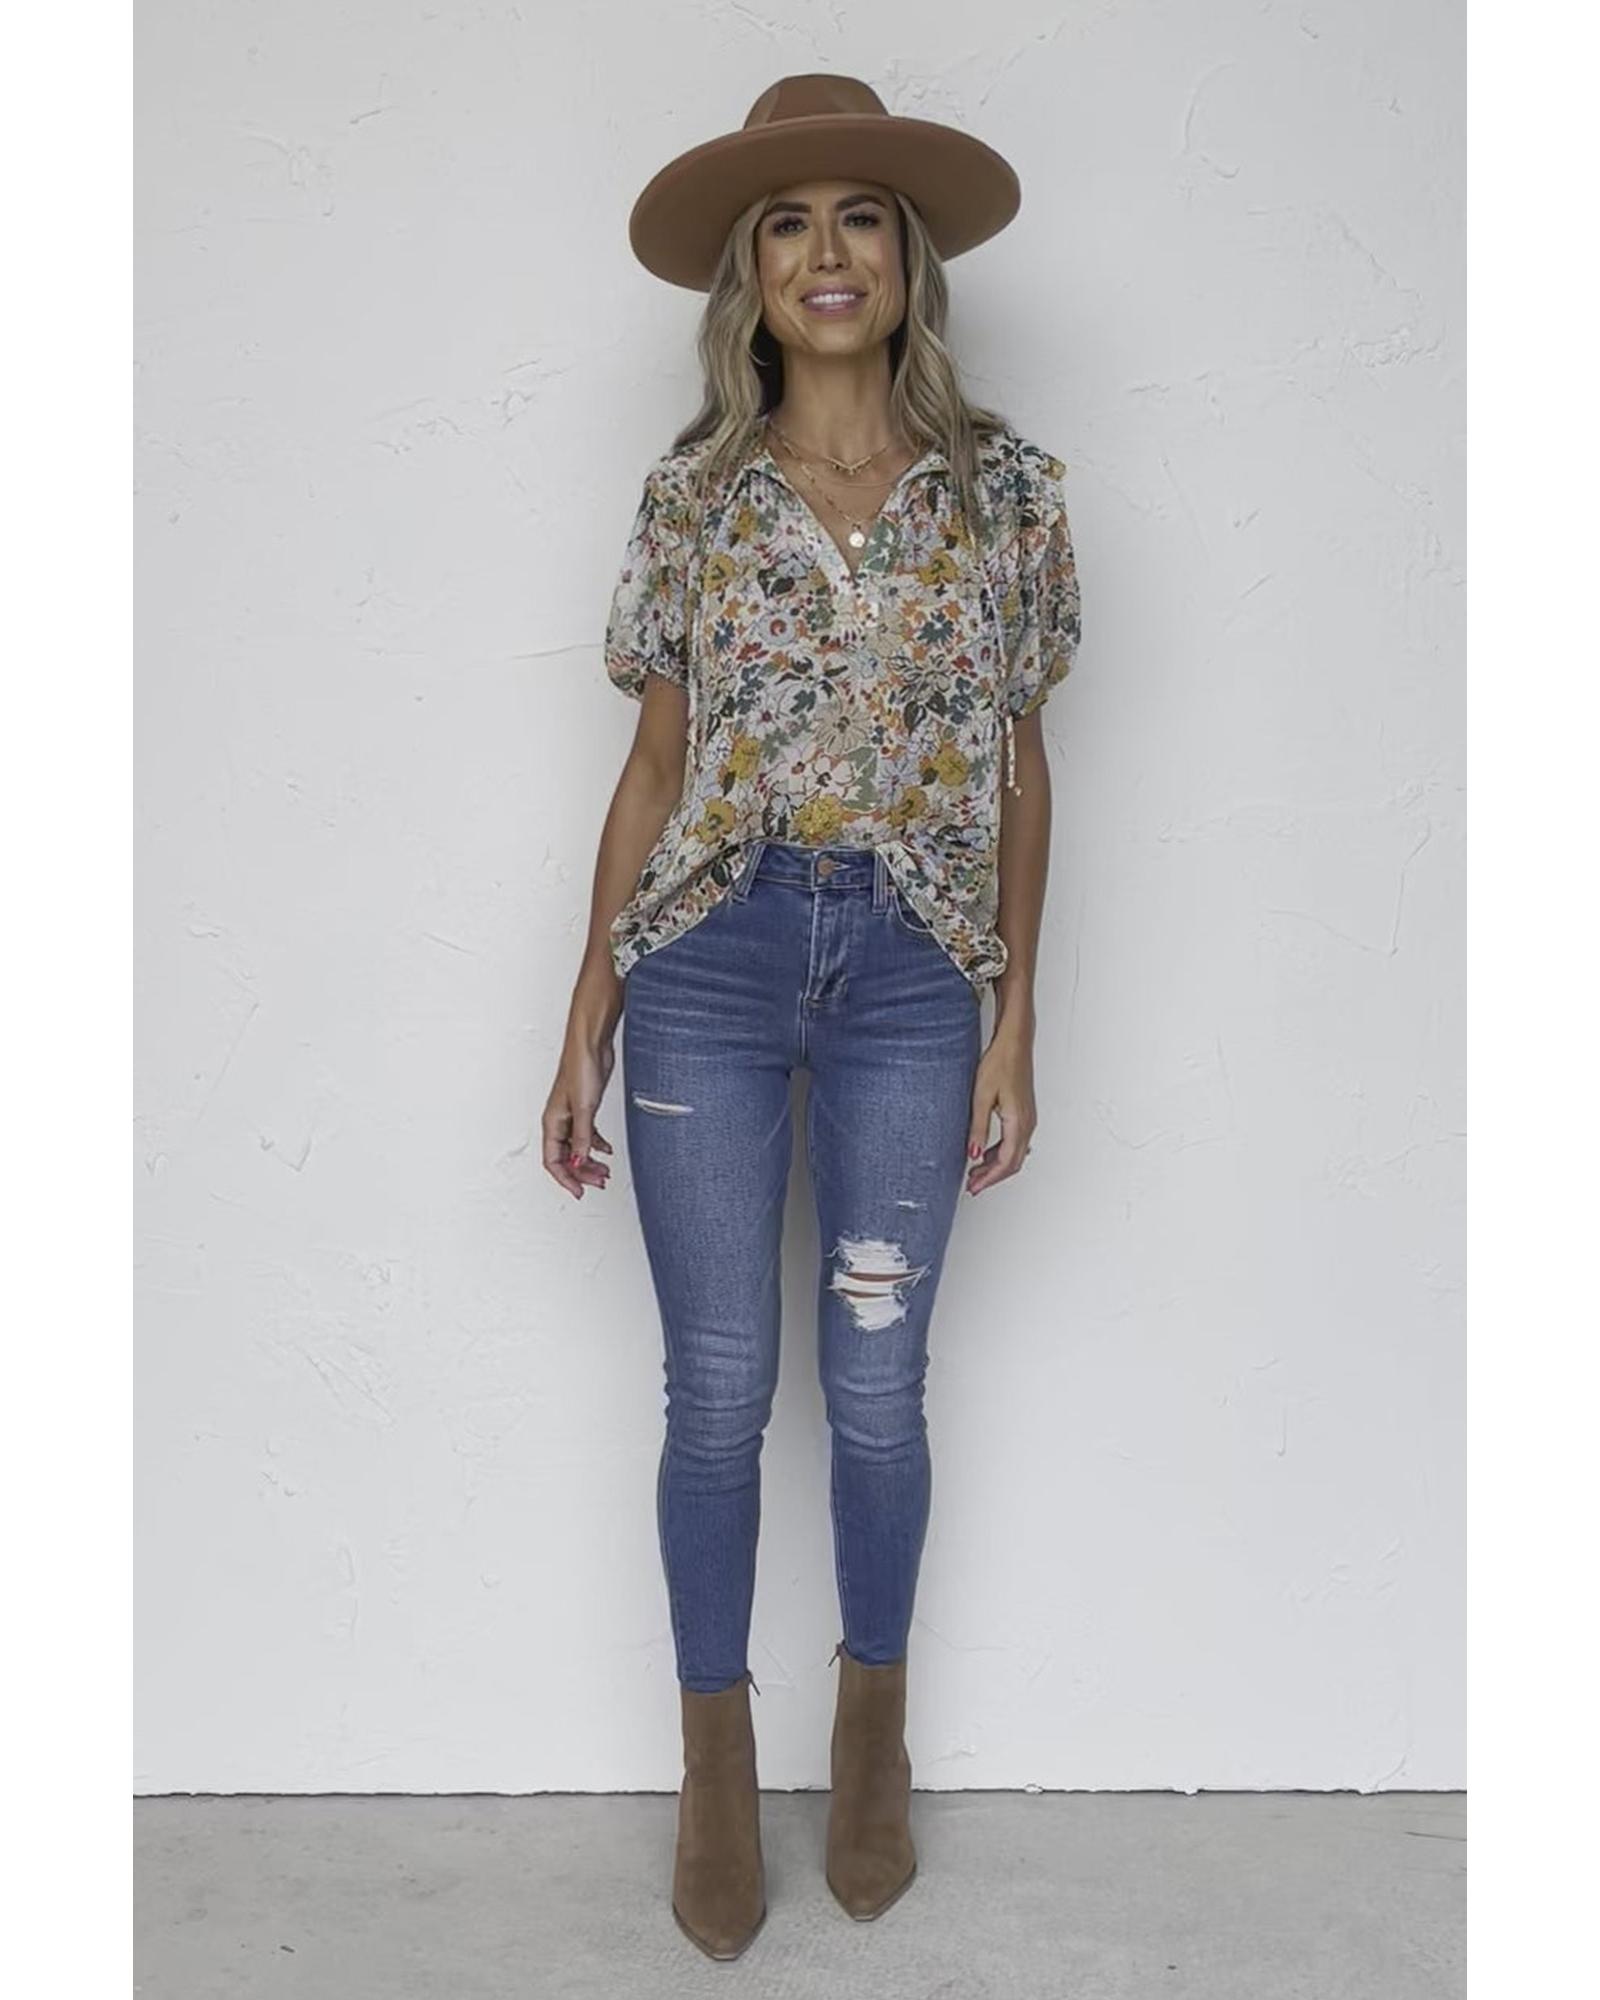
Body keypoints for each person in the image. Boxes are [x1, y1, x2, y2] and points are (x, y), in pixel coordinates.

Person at [541, 73, 1082, 1960]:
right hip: (712, 956)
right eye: (787, 224)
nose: (826, 253)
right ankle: (714, 1770)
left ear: (906, 259)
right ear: (750, 276)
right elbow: (652, 765)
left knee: (874, 1386)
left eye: (859, 218)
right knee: (715, 1394)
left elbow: (1019, 768)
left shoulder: (1008, 492)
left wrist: (1014, 1014)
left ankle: (870, 1742)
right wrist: (588, 1005)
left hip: (918, 975)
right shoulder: (693, 497)